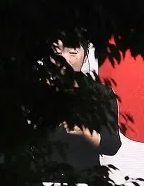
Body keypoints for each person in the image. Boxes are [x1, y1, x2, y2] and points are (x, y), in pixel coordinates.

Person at [49, 39, 122, 175]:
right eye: (58, 52)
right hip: (41, 181)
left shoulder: (100, 94)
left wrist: (85, 133)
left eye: (72, 52)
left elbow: (112, 144)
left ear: (86, 56)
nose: (65, 59)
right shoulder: (35, 91)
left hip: (84, 181)